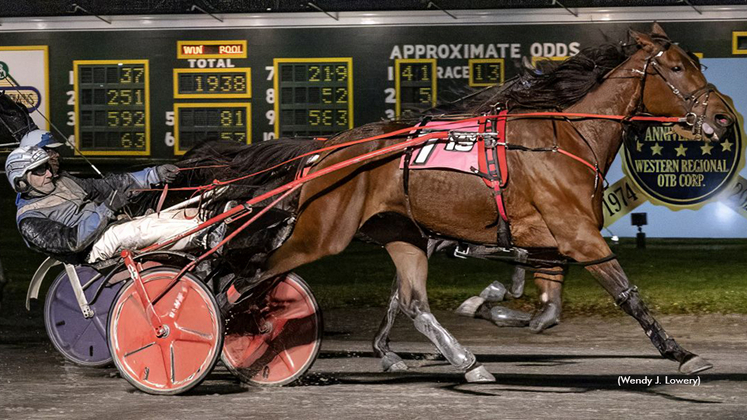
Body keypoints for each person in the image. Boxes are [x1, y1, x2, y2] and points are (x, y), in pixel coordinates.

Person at [6, 145, 209, 265]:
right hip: (91, 251)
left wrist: (153, 174)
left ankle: (212, 221)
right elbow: (72, 242)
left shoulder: (64, 181)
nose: (49, 173)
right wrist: (108, 209)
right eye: (40, 171)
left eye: (47, 167)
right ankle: (207, 234)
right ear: (21, 182)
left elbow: (109, 184)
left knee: (176, 214)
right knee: (143, 228)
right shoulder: (29, 221)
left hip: (110, 227)